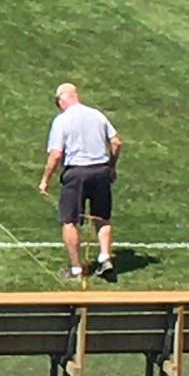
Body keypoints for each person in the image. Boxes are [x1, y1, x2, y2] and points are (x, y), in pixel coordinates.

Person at [39, 81, 121, 280]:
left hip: (76, 173)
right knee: (102, 217)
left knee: (69, 220)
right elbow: (116, 142)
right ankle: (104, 257)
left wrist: (45, 179)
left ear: (61, 100)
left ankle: (75, 269)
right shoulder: (96, 114)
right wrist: (111, 166)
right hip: (100, 171)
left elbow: (56, 154)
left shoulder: (61, 121)